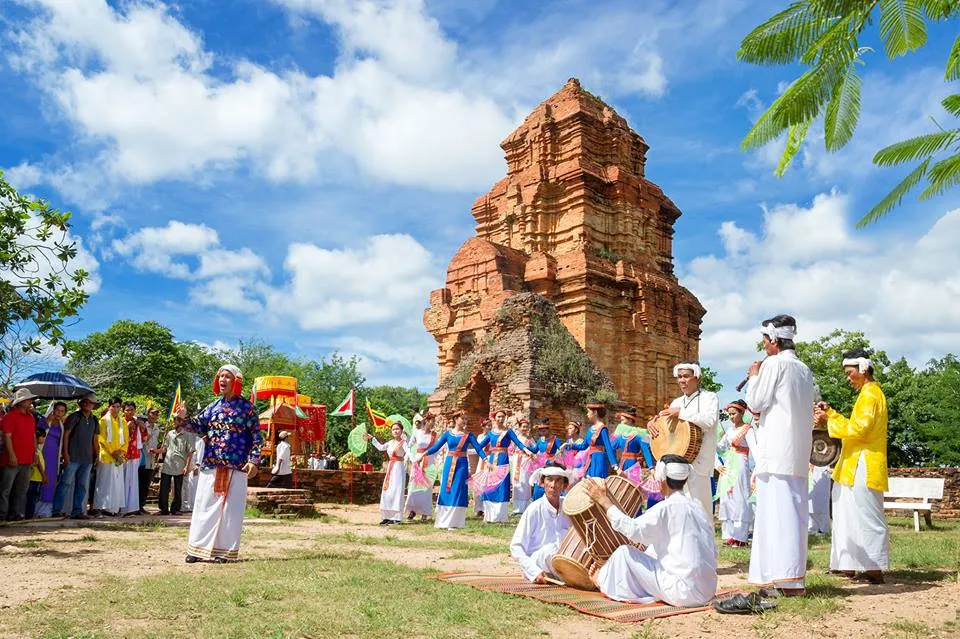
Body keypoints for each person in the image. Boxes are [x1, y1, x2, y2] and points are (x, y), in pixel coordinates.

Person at [744, 314, 815, 596]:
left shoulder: (774, 364)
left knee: (776, 515)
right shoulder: (804, 369)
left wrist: (753, 378)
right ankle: (790, 579)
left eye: (764, 340)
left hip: (776, 450)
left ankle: (782, 580)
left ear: (774, 340)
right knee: (792, 515)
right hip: (796, 451)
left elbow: (755, 402)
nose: (763, 346)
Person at [588, 455, 718, 607]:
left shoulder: (666, 507)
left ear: (662, 479)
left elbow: (632, 530)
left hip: (682, 592)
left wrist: (604, 500)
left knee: (624, 553)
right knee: (649, 551)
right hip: (707, 590)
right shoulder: (698, 507)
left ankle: (601, 580)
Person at [815, 348, 890, 584]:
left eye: (850, 373)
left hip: (865, 464)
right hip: (852, 464)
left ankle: (874, 568)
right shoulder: (866, 394)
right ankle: (847, 564)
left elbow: (860, 430)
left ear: (864, 369)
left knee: (866, 516)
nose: (848, 378)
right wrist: (833, 415)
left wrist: (830, 419)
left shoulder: (871, 395)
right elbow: (854, 427)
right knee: (845, 513)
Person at [176, 365, 261, 563]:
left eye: (227, 376)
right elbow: (196, 425)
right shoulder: (213, 406)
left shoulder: (247, 408)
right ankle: (197, 549)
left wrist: (254, 461)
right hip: (211, 464)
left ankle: (224, 552)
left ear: (236, 381)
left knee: (231, 510)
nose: (222, 379)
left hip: (236, 465)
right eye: (220, 376)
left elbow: (257, 437)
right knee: (204, 506)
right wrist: (183, 417)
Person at [648, 363, 719, 519]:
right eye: (679, 377)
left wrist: (681, 412)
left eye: (686, 376)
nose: (682, 380)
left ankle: (703, 543)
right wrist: (654, 423)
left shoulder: (709, 397)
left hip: (699, 463)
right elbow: (667, 430)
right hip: (676, 465)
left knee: (700, 510)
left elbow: (709, 420)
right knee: (676, 510)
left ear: (697, 377)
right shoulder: (676, 402)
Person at [419, 411, 486, 530]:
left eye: (466, 419)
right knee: (446, 489)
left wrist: (487, 460)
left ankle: (455, 522)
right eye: (462, 418)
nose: (464, 421)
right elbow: (436, 447)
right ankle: (443, 521)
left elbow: (479, 449)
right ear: (455, 419)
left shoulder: (468, 435)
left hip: (462, 465)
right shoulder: (447, 434)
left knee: (458, 490)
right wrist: (424, 454)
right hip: (449, 463)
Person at [510, 462, 573, 582]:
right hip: (539, 561)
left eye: (558, 480)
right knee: (550, 551)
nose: (553, 485)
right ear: (542, 483)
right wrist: (533, 571)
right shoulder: (534, 509)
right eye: (549, 480)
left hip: (564, 561)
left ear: (564, 485)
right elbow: (516, 547)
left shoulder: (568, 507)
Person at [476, 412, 536, 523]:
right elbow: (478, 447)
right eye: (499, 416)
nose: (501, 418)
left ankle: (500, 516)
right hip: (491, 462)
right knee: (490, 486)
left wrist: (527, 451)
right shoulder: (490, 434)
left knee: (502, 486)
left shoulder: (508, 432)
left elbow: (518, 443)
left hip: (503, 460)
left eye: (503, 417)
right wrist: (485, 459)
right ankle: (488, 516)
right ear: (494, 418)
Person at [53, 395, 100, 519]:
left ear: (94, 406)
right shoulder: (74, 417)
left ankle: (77, 511)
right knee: (65, 483)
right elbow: (66, 435)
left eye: (90, 403)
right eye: (85, 402)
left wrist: (97, 456)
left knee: (82, 486)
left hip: (87, 458)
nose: (88, 404)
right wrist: (65, 453)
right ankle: (56, 510)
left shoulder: (95, 419)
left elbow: (95, 440)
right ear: (81, 404)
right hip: (73, 456)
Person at [716, 400, 756, 546]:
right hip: (729, 463)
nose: (731, 417)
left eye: (734, 414)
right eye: (729, 414)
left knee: (740, 496)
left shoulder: (748, 430)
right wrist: (717, 464)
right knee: (727, 496)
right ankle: (730, 534)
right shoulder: (729, 431)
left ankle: (741, 536)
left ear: (742, 413)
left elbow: (755, 449)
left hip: (740, 462)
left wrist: (757, 469)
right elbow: (720, 447)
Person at [0, 388, 38, 521]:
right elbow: (7, 437)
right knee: (6, 489)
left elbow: (33, 436)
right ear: (20, 402)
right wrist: (11, 455)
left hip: (27, 458)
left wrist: (35, 453)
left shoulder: (31, 417)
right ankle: (2, 515)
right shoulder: (9, 416)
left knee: (21, 489)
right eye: (27, 399)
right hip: (12, 459)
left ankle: (15, 513)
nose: (30, 401)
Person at [365, 422, 407, 525]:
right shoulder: (390, 443)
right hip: (390, 469)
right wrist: (372, 438)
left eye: (397, 429)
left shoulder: (404, 443)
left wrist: (416, 459)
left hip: (399, 469)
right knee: (387, 491)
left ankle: (397, 518)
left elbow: (409, 452)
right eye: (393, 429)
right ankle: (387, 516)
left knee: (397, 491)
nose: (395, 431)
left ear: (401, 431)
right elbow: (380, 447)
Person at [563, 402, 617, 479]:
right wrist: (568, 445)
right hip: (590, 459)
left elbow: (608, 447)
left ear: (595, 413)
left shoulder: (603, 429)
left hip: (599, 459)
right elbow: (583, 446)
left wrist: (614, 465)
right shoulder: (590, 429)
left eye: (588, 412)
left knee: (597, 482)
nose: (587, 414)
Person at [93, 397, 127, 517]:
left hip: (118, 457)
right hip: (106, 456)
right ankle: (99, 508)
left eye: (118, 407)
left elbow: (126, 440)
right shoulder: (103, 421)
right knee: (104, 482)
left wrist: (121, 453)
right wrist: (113, 452)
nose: (116, 409)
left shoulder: (123, 422)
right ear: (109, 407)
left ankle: (112, 509)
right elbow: (101, 439)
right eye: (113, 406)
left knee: (116, 484)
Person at [34, 402, 67, 517]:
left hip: (54, 457)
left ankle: (45, 511)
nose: (59, 413)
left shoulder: (61, 425)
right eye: (57, 410)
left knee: (50, 482)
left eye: (62, 411)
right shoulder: (43, 421)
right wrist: (47, 421)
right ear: (53, 410)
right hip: (42, 454)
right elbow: (37, 435)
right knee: (39, 480)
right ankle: (34, 509)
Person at [158, 416, 195, 516]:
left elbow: (190, 452)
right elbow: (165, 448)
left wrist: (187, 466)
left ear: (180, 422)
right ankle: (163, 509)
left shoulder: (188, 435)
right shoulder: (170, 433)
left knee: (178, 488)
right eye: (173, 421)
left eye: (175, 421)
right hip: (168, 463)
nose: (173, 423)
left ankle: (175, 509)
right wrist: (156, 451)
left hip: (180, 465)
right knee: (164, 487)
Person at [404, 413, 436, 521]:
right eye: (432, 421)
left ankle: (425, 512)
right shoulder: (417, 433)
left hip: (429, 462)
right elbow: (407, 446)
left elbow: (437, 449)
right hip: (417, 461)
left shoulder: (434, 435)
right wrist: (412, 458)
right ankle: (412, 511)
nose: (434, 423)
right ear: (426, 421)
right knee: (414, 486)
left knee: (427, 488)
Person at [120, 403, 144, 516]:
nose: (130, 412)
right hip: (123, 455)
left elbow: (144, 438)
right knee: (123, 481)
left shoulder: (137, 422)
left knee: (132, 482)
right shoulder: (120, 422)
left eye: (132, 410)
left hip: (135, 455)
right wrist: (127, 428)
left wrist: (142, 426)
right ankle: (121, 507)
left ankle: (131, 508)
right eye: (127, 410)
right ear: (123, 411)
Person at [510, 418, 537, 515]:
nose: (525, 428)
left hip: (526, 462)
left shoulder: (530, 439)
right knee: (516, 482)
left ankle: (525, 507)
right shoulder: (515, 438)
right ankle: (516, 507)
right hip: (516, 460)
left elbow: (535, 449)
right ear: (519, 428)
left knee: (525, 482)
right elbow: (510, 449)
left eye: (526, 427)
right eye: (523, 427)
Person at [531, 418, 560, 501]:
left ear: (548, 430)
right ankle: (537, 501)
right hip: (540, 464)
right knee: (539, 482)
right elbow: (535, 450)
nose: (542, 432)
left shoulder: (555, 439)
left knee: (548, 481)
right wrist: (523, 447)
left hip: (550, 464)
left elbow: (561, 450)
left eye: (544, 430)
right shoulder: (540, 440)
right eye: (540, 431)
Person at [139, 407, 162, 513]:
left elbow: (156, 442)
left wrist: (157, 451)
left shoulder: (157, 428)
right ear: (148, 414)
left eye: (156, 414)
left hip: (152, 459)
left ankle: (142, 505)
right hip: (142, 457)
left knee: (146, 483)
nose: (154, 416)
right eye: (152, 413)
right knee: (139, 482)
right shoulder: (143, 425)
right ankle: (137, 506)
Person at [25, 428, 47, 519]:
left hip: (37, 478)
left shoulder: (38, 449)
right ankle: (29, 515)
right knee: (32, 497)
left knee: (33, 497)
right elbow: (38, 464)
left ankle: (30, 514)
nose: (43, 439)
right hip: (34, 478)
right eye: (42, 437)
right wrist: (43, 475)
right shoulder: (35, 451)